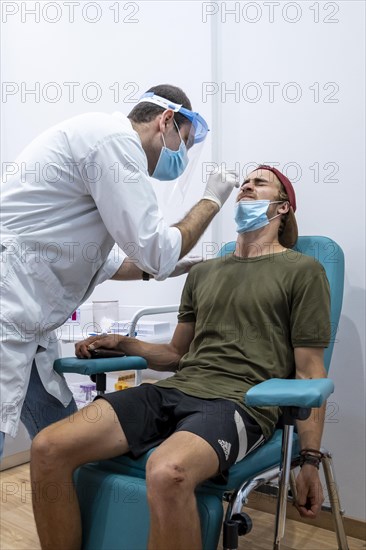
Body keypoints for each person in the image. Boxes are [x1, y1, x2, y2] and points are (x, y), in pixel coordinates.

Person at [30, 165, 331, 550]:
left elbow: (309, 373)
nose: (245, 188)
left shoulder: (303, 270)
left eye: (259, 182)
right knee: (48, 447)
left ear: (283, 207)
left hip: (240, 400)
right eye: (243, 184)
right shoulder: (204, 272)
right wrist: (121, 342)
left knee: (167, 471)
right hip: (177, 388)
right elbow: (175, 354)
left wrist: (309, 460)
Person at [0, 84, 239, 455]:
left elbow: (113, 261)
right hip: (9, 310)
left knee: (62, 442)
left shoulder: (97, 139)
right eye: (184, 143)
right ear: (166, 121)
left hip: (27, 323)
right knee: (59, 441)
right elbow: (155, 252)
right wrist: (211, 201)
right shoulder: (114, 143)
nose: (183, 156)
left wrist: (179, 265)